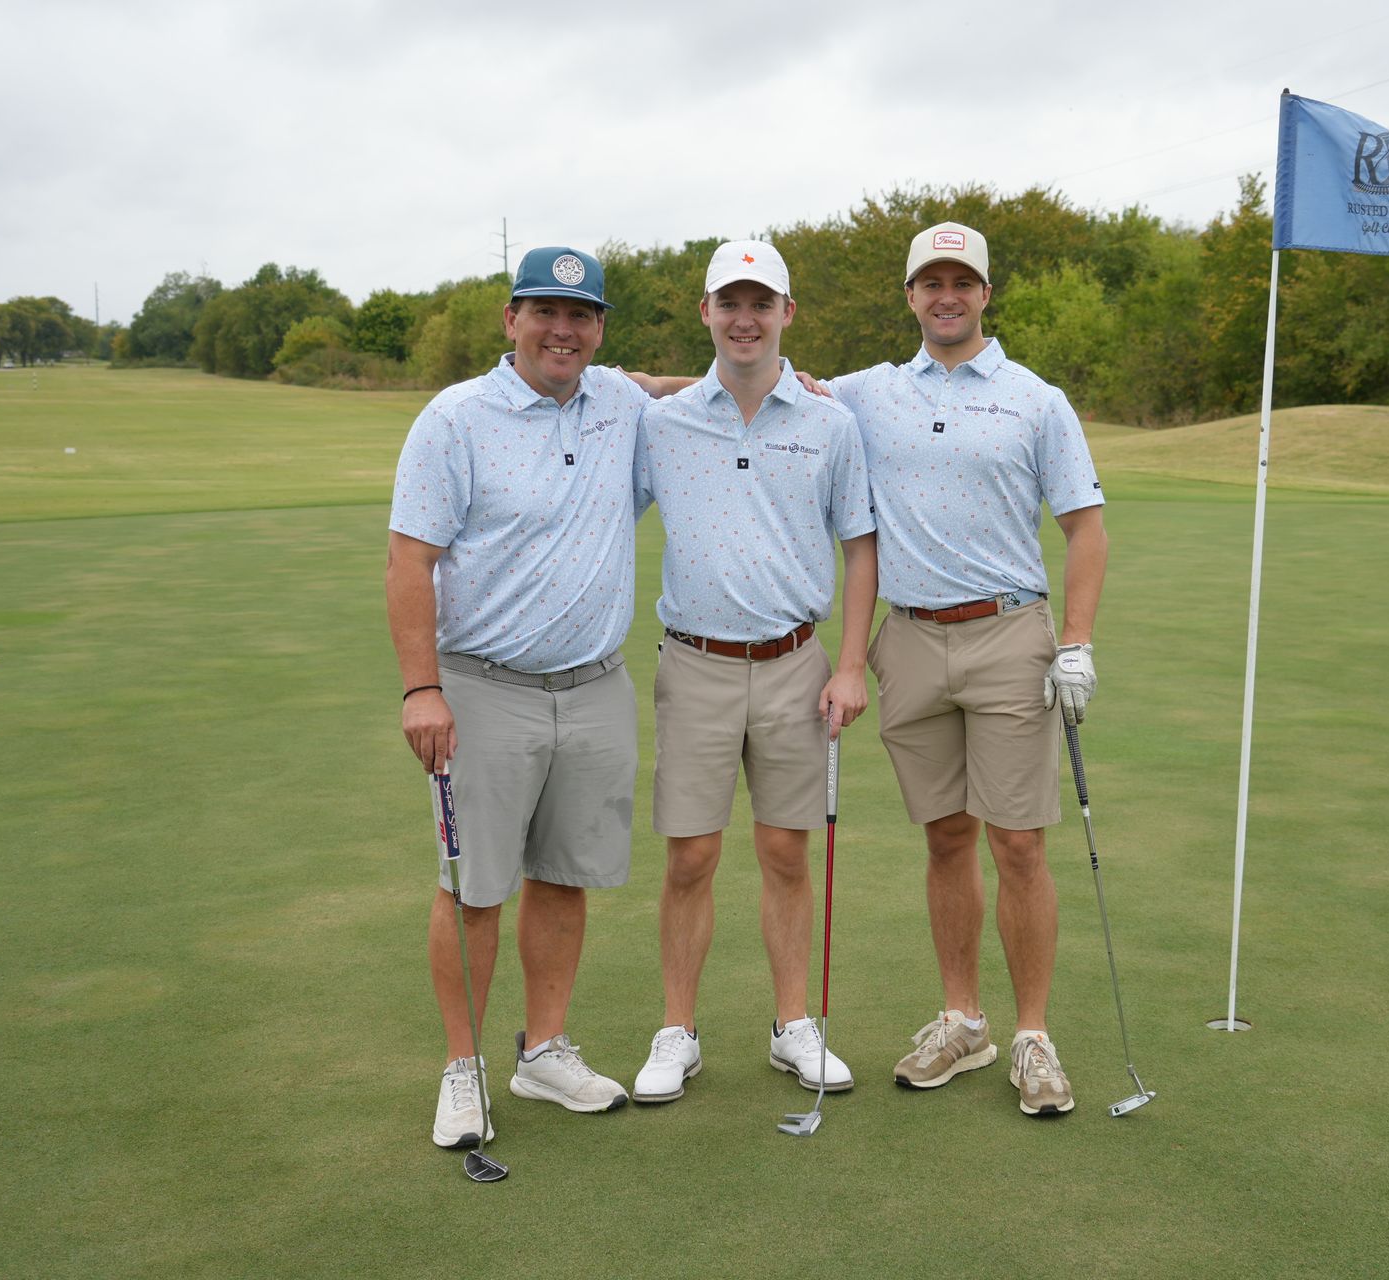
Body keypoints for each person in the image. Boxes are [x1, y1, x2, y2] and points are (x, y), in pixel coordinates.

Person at [388, 245, 680, 1149]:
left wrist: (784, 373)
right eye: (545, 313)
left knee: (564, 880)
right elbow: (410, 561)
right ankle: (463, 1068)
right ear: (511, 319)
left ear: (598, 328)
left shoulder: (619, 402)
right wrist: (422, 688)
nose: (563, 330)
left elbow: (668, 386)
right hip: (481, 688)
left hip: (596, 686)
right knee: (474, 887)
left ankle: (544, 1048)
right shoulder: (455, 418)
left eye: (581, 316)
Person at [824, 221, 1107, 1116]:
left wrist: (1076, 640)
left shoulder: (1035, 399)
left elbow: (1085, 527)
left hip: (1008, 635)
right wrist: (632, 387)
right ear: (909, 295)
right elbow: (759, 383)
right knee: (945, 838)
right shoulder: (868, 392)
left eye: (963, 282)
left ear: (986, 294)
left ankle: (1031, 1035)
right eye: (929, 282)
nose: (946, 295)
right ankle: (963, 1019)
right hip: (907, 639)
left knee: (1017, 842)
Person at [628, 240, 877, 1104]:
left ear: (786, 315)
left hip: (794, 664)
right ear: (705, 313)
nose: (745, 318)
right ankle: (677, 1030)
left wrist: (850, 663)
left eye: (760, 303)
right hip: (694, 662)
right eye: (728, 302)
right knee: (690, 856)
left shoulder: (829, 422)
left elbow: (860, 544)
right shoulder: (659, 422)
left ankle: (792, 1026)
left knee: (784, 851)